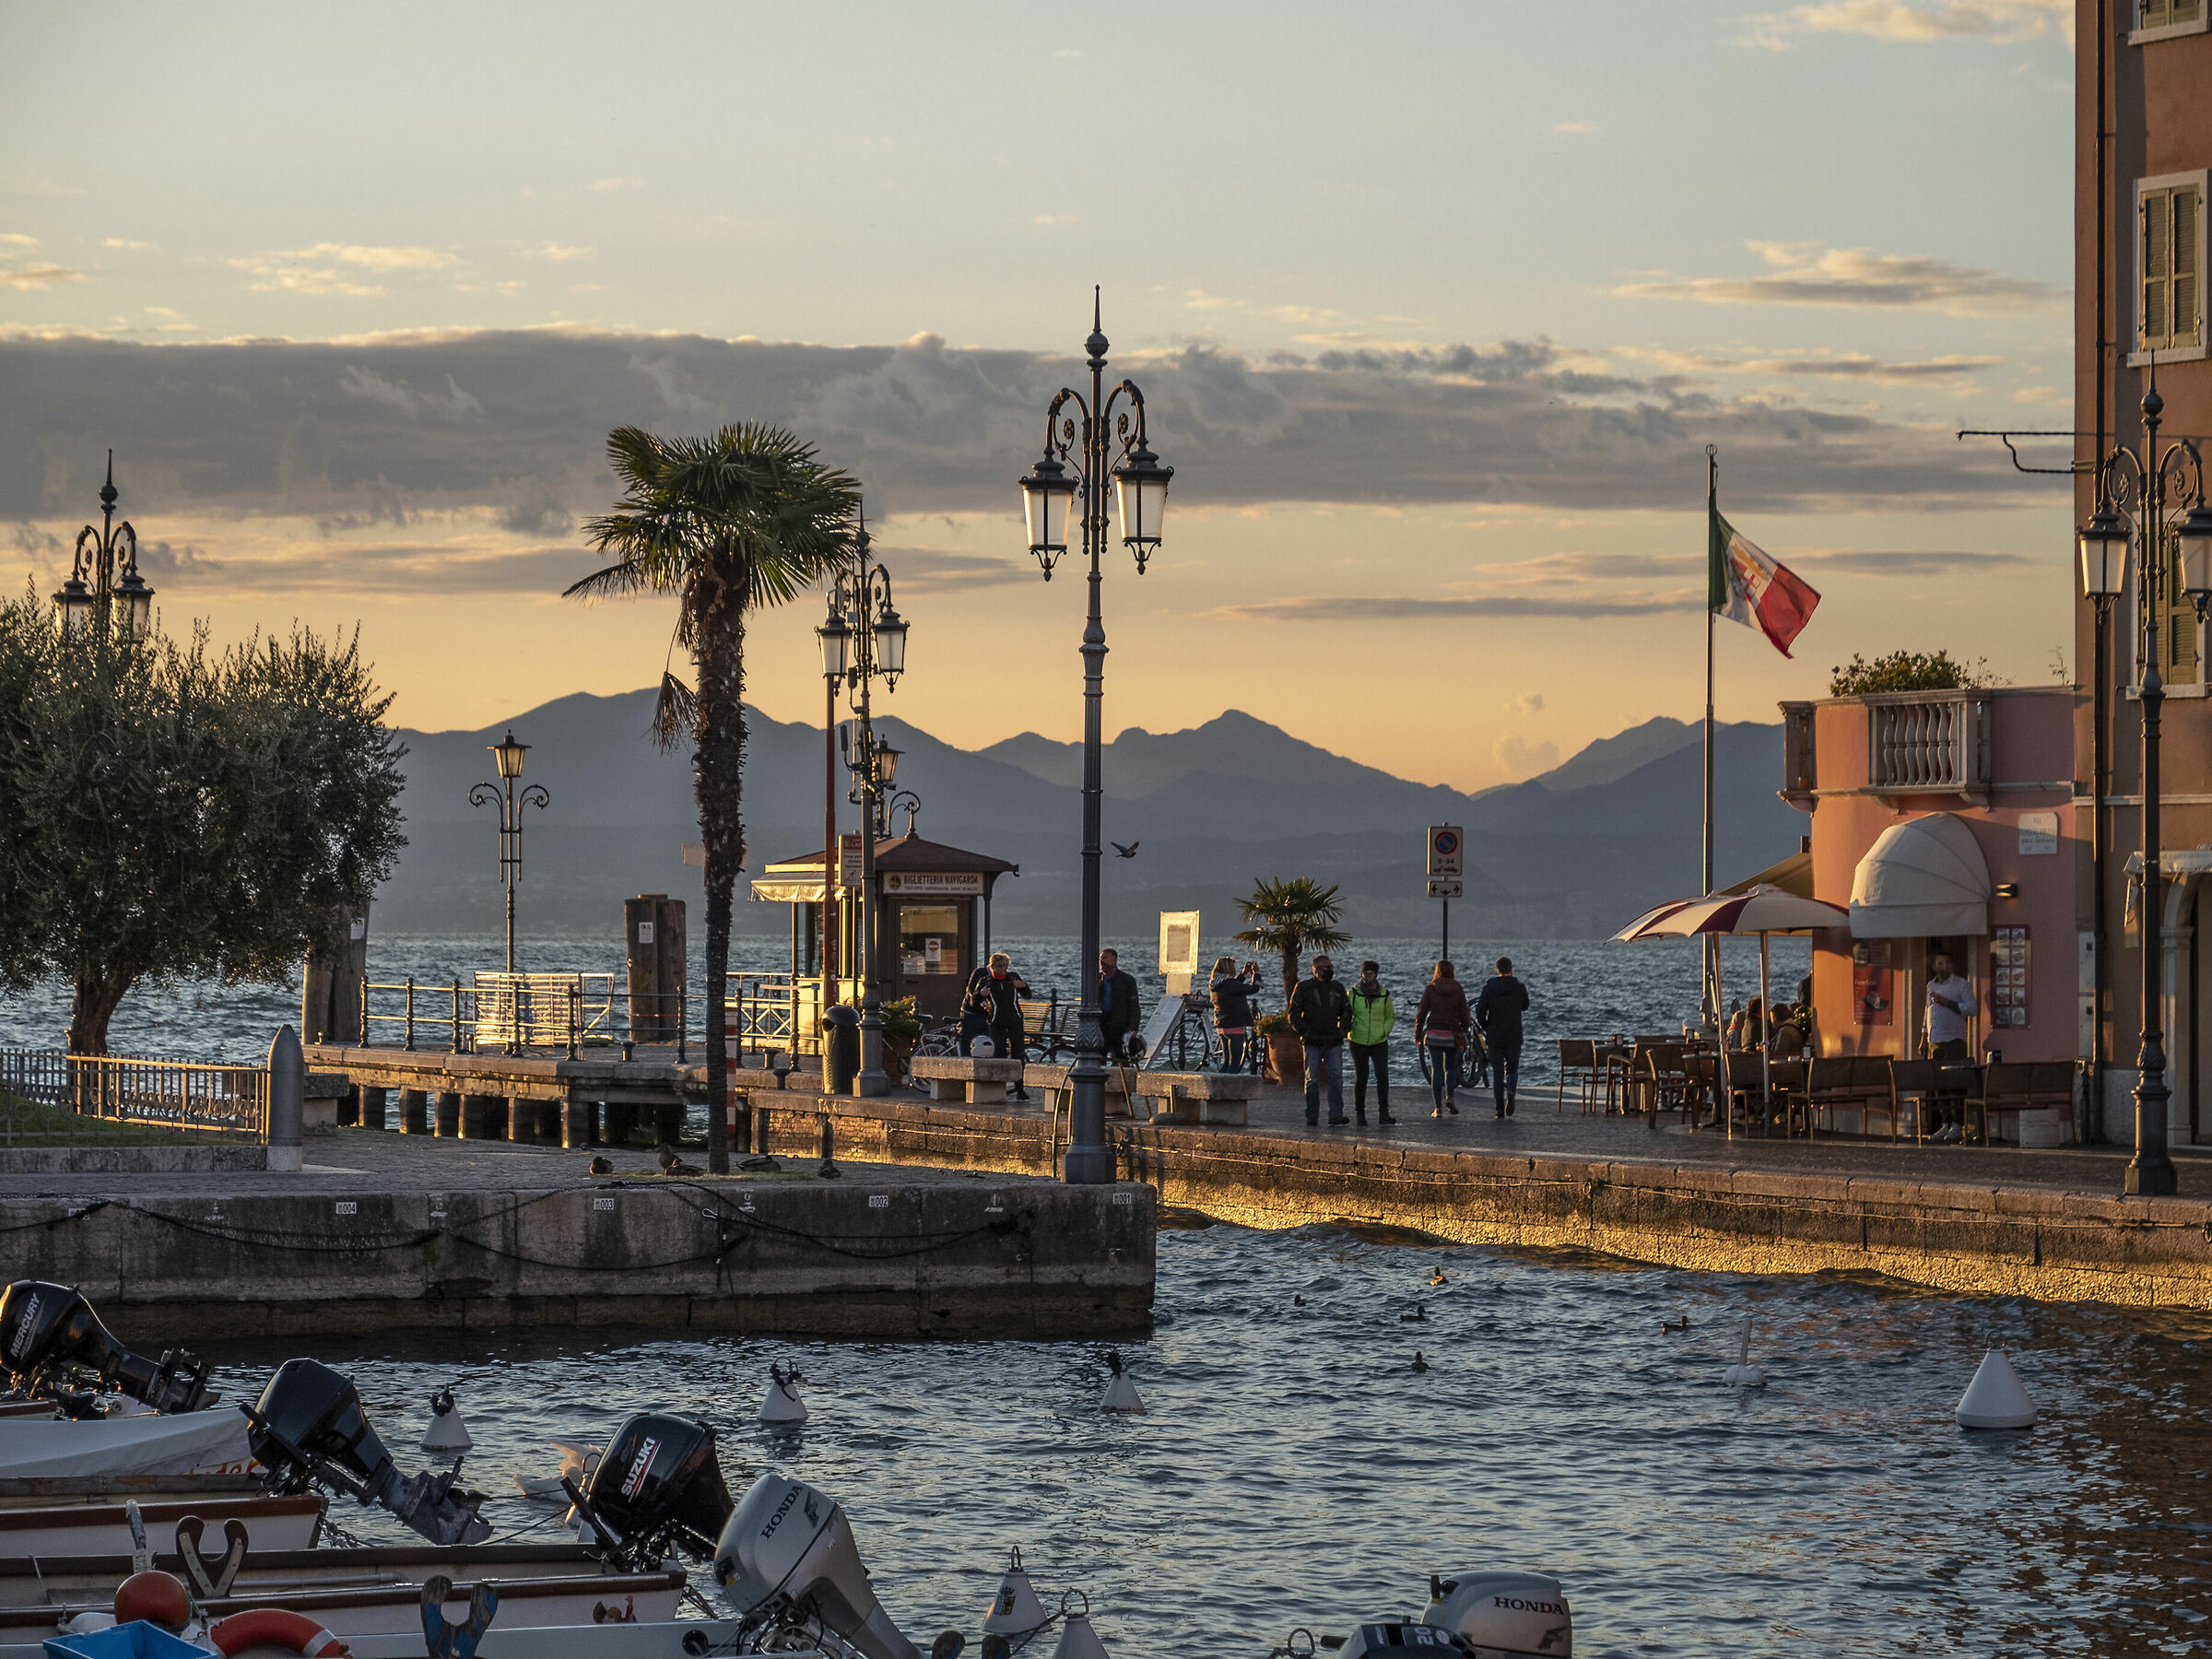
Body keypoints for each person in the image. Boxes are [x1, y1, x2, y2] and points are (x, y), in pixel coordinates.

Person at [1288, 953, 1354, 1126]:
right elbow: (1293, 1013)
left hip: (1333, 1040)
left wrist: (1342, 1030)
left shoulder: (1337, 988)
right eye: (1327, 968)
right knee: (1311, 1080)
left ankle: (1336, 1114)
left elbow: (1347, 1011)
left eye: (1331, 967)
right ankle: (1312, 1115)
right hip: (1312, 1041)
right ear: (1316, 969)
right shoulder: (1304, 988)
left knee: (1336, 1077)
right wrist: (1304, 1031)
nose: (1331, 970)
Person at [1924, 950, 1978, 1143]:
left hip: (1954, 1040)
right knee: (1939, 1086)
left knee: (1955, 1084)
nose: (1944, 966)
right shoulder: (1931, 985)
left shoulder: (1961, 984)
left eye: (1947, 962)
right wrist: (1924, 1037)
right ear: (1934, 966)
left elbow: (1972, 1009)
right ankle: (1945, 1123)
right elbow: (1927, 1011)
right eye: (1940, 963)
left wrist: (1948, 1003)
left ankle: (1957, 1125)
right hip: (1934, 1041)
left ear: (1951, 966)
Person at [965, 952, 1033, 1100]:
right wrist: (981, 995)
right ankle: (999, 1088)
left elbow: (1028, 995)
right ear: (992, 967)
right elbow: (973, 1002)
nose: (1002, 969)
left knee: (1018, 1054)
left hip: (1015, 1020)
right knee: (999, 1054)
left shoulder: (1013, 977)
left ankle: (1020, 1089)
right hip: (996, 1022)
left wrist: (1024, 986)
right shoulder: (985, 980)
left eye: (1005, 966)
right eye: (999, 966)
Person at [1413, 961, 1471, 1118]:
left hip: (1434, 1034)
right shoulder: (1458, 988)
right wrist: (1464, 1031)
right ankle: (1450, 1097)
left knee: (1436, 1070)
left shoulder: (1431, 988)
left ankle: (1438, 1108)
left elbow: (1422, 1012)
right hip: (1451, 1034)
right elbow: (1464, 1013)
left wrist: (1418, 1034)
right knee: (1450, 1068)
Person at [1476, 956, 1530, 1118]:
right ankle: (1511, 1090)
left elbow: (1479, 1012)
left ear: (1497, 970)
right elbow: (1525, 1006)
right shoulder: (1519, 987)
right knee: (1512, 1069)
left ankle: (1499, 1110)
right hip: (1514, 1034)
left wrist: (1486, 1026)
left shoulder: (1489, 988)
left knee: (1497, 1074)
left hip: (1495, 1035)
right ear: (1511, 969)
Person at [1347, 959, 1396, 1125]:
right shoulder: (1353, 994)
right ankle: (1360, 1114)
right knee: (1361, 1078)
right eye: (1365, 973)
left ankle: (1384, 1114)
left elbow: (1390, 1016)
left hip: (1379, 1041)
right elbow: (1346, 1015)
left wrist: (1384, 1031)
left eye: (1370, 973)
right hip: (1358, 1041)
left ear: (1376, 975)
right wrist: (1348, 1030)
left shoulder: (1384, 994)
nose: (1367, 976)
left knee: (1382, 1077)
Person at [1209, 955, 1262, 1074]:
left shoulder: (1216, 983)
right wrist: (1256, 973)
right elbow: (1254, 989)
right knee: (1235, 1063)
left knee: (1226, 1063)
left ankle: (1218, 1086)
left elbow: (1233, 987)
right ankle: (1228, 1089)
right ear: (1229, 969)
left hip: (1222, 1026)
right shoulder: (1229, 984)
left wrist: (1243, 974)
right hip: (1235, 1025)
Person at [1096, 948, 1143, 1064]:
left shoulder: (1126, 980)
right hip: (1101, 1023)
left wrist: (1133, 1028)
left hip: (1119, 1024)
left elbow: (1134, 1007)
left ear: (1114, 960)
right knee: (1099, 1057)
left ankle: (1122, 1079)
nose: (1102, 961)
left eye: (1105, 958)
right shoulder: (1096, 979)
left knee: (1121, 1058)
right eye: (1100, 958)